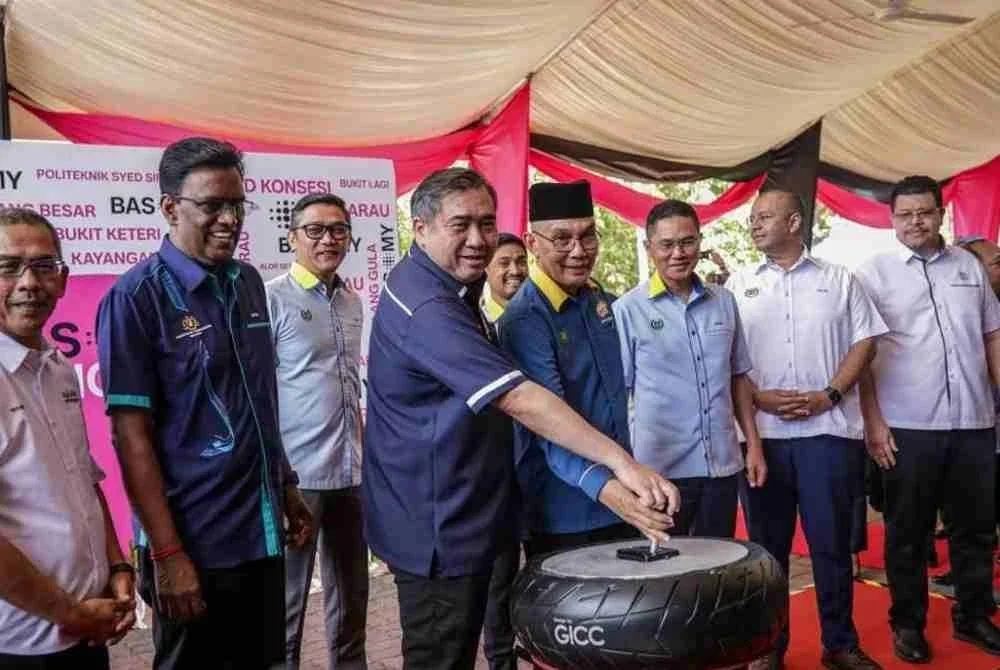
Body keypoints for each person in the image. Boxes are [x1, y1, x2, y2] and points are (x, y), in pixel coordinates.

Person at [363, 168, 679, 670]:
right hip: (440, 523)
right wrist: (621, 467)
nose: (477, 239)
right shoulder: (434, 306)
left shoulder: (461, 289)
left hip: (473, 511)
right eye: (460, 225)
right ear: (420, 229)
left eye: (487, 224)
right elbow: (522, 401)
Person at [96, 137, 313, 670]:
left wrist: (286, 487)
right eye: (212, 205)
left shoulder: (248, 283)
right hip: (194, 543)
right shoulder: (134, 299)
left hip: (260, 531)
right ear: (170, 208)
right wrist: (168, 553)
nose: (229, 220)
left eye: (237, 204)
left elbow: (259, 401)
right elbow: (130, 436)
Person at [729, 188, 886, 670]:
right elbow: (728, 360)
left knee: (832, 546)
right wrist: (758, 398)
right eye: (753, 218)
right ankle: (768, 649)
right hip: (764, 441)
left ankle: (839, 644)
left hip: (829, 435)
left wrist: (830, 395)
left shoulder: (840, 280)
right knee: (767, 554)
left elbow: (865, 343)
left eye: (764, 216)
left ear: (795, 222)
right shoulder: (736, 285)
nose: (754, 225)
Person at [857, 175, 1000, 664]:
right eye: (905, 214)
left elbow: (992, 334)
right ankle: (908, 623)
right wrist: (873, 423)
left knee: (976, 528)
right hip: (908, 426)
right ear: (892, 219)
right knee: (908, 533)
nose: (915, 221)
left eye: (925, 212)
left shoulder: (968, 266)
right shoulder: (874, 274)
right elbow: (862, 353)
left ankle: (974, 615)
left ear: (941, 213)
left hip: (975, 421)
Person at [499, 181, 673, 558]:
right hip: (566, 512)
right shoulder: (525, 319)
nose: (578, 252)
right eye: (562, 239)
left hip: (623, 493)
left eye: (588, 236)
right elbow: (547, 427)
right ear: (533, 243)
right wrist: (611, 489)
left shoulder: (598, 300)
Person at [0, 208, 136, 669]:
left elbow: (84, 480)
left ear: (62, 280)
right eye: (8, 267)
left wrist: (117, 566)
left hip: (85, 632)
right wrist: (70, 614)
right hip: (20, 645)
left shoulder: (56, 366)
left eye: (43, 266)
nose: (29, 283)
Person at [614, 199, 765, 538]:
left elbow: (738, 377)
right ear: (649, 248)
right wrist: (625, 469)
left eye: (687, 242)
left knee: (719, 561)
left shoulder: (724, 301)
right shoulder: (628, 310)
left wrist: (753, 445)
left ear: (700, 241)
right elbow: (620, 395)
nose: (678, 253)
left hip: (722, 465)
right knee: (668, 562)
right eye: (666, 244)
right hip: (659, 472)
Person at [266, 193, 368, 670]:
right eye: (315, 230)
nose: (328, 239)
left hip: (351, 472)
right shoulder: (272, 298)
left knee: (352, 601)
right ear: (293, 238)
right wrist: (278, 475)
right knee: (287, 608)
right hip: (298, 479)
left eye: (338, 230)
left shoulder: (352, 301)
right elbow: (260, 392)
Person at [477, 231, 528, 670]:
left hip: (540, 469)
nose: (515, 271)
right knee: (500, 579)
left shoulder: (535, 316)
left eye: (520, 261)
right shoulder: (475, 325)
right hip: (496, 474)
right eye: (504, 263)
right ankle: (501, 660)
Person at [481, 232, 528, 325]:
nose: (515, 271)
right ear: (485, 268)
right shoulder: (474, 320)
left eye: (522, 262)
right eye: (504, 263)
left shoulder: (544, 313)